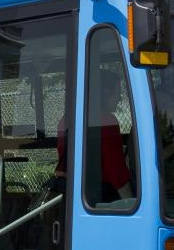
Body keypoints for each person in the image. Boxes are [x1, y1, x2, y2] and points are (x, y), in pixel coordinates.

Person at [55, 75, 133, 204]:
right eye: (117, 93)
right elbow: (115, 169)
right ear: (105, 94)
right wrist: (131, 201)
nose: (120, 98)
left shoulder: (65, 120)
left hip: (71, 191)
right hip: (100, 195)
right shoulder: (107, 121)